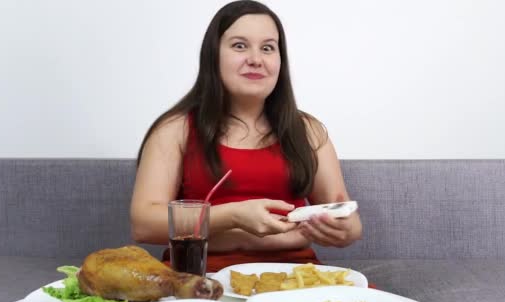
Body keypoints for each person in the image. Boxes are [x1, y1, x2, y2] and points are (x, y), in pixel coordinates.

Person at [130, 0, 362, 272]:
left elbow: (346, 214)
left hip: (295, 276)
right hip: (199, 275)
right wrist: (233, 216)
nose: (256, 59)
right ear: (213, 54)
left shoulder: (309, 130)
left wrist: (347, 230)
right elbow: (143, 224)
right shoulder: (174, 129)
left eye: (267, 48)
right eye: (240, 45)